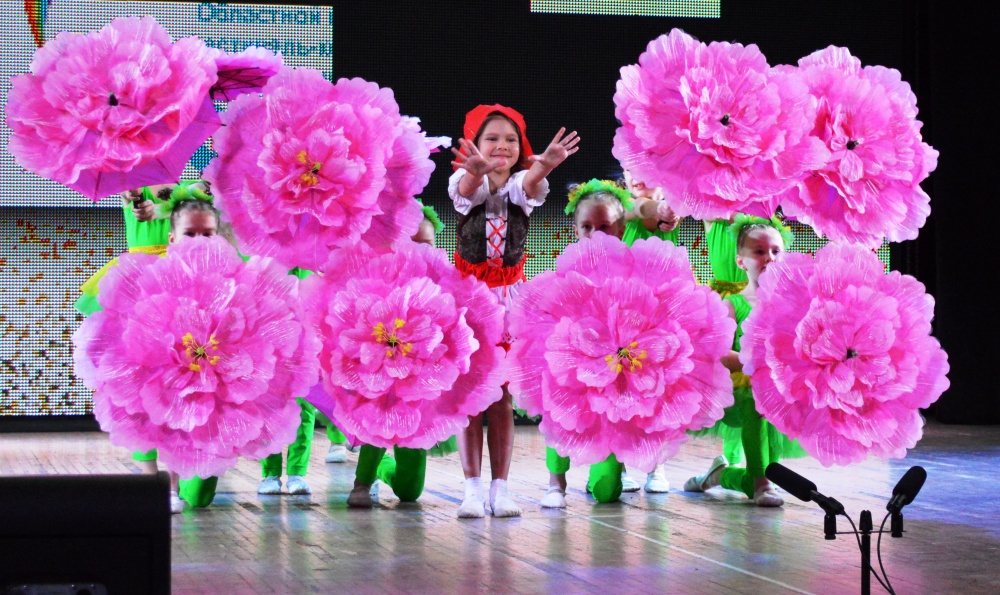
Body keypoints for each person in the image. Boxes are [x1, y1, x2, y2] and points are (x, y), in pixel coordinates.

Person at [449, 104, 579, 518]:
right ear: (474, 142)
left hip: (508, 301)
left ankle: (500, 490)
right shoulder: (463, 179)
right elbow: (467, 191)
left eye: (510, 139)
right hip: (468, 300)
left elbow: (532, 182)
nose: (502, 146)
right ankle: (471, 489)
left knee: (501, 397)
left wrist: (546, 167)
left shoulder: (524, 182)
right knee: (470, 397)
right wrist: (474, 170)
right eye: (492, 138)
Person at [683, 215, 803, 507]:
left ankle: (721, 476)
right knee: (756, 401)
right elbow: (717, 353)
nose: (769, 258)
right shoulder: (733, 303)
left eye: (775, 251)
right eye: (759, 252)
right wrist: (752, 362)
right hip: (738, 392)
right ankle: (761, 483)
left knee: (763, 472)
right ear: (741, 262)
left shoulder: (793, 304)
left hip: (779, 391)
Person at [346, 200, 455, 508]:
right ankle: (362, 482)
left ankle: (383, 471)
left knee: (410, 493)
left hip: (420, 386)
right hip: (380, 374)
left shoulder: (443, 285)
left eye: (427, 245)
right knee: (377, 417)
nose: (419, 253)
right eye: (412, 244)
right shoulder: (375, 280)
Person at [539, 180, 635, 508]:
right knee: (560, 409)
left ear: (621, 228)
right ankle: (556, 482)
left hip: (615, 371)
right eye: (587, 227)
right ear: (576, 229)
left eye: (605, 226)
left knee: (607, 493)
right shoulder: (564, 271)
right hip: (572, 367)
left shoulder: (633, 271)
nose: (596, 234)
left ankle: (607, 471)